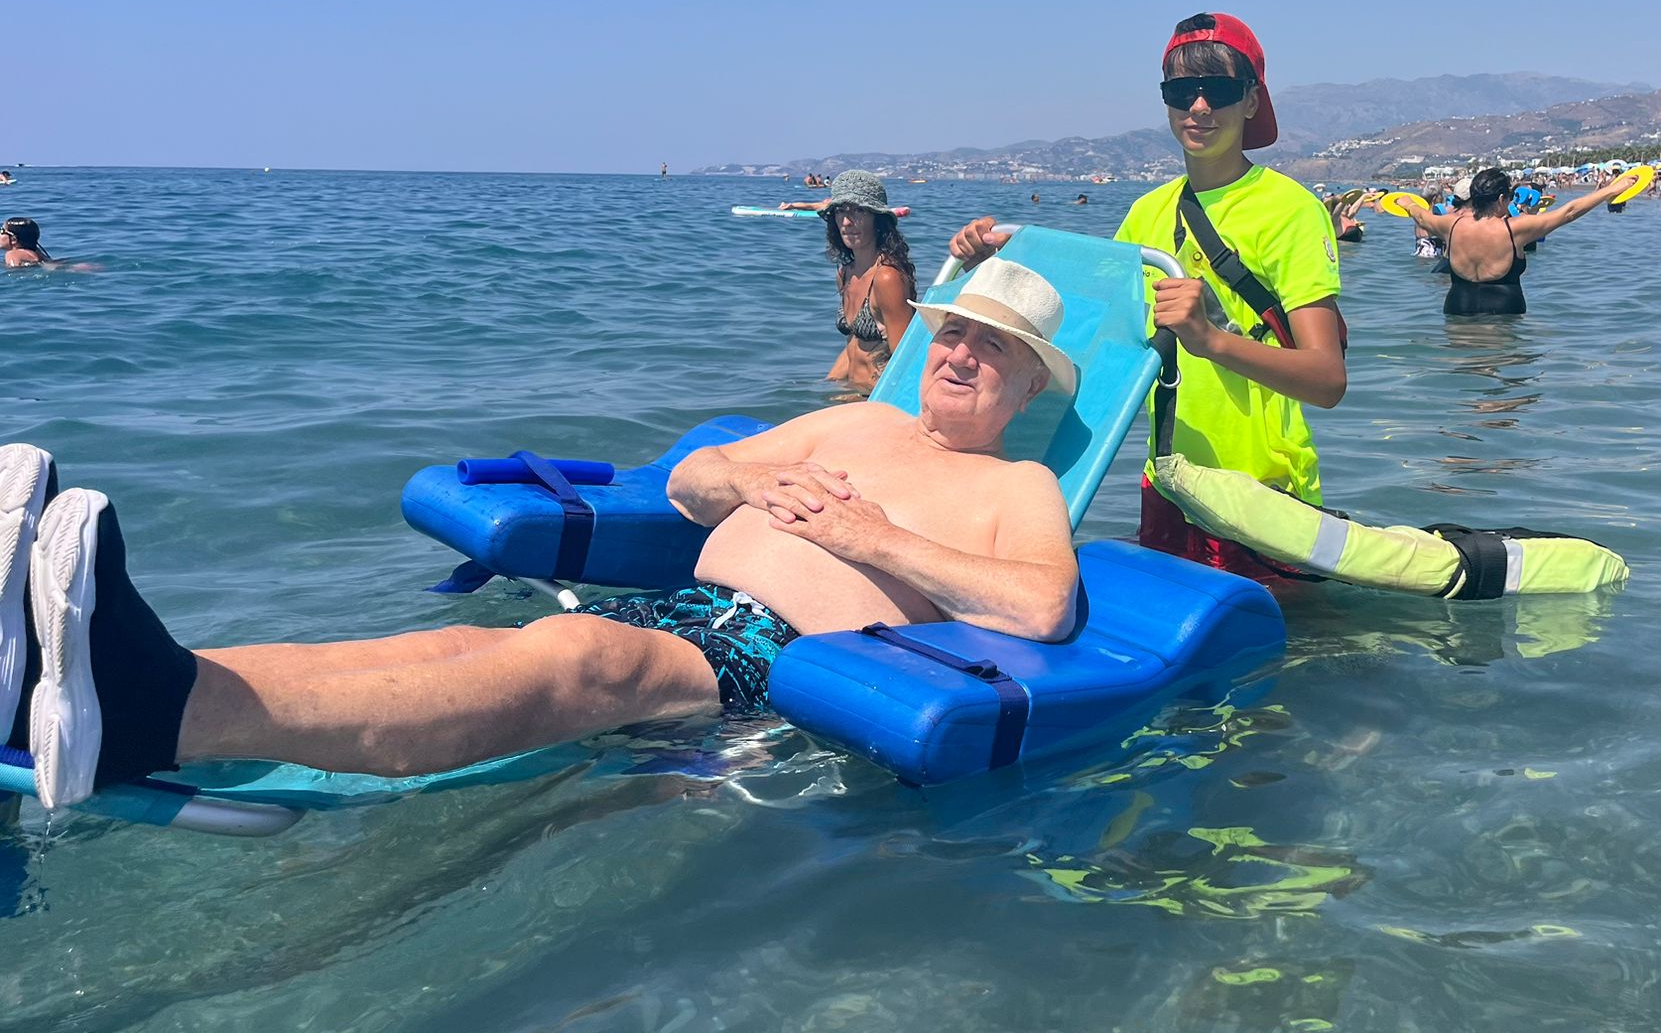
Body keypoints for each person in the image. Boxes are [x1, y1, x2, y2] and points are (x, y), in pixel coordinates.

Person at [1, 261, 1083, 811]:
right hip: (678, 615)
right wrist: (749, 476)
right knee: (445, 649)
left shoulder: (1016, 481)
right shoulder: (859, 417)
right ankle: (103, 681)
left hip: (775, 665)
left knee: (580, 655)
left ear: (1030, 382)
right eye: (954, 331)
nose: (961, 353)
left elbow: (1038, 606)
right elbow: (691, 482)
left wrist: (867, 536)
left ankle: (145, 714)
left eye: (995, 347)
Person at [949, 12, 1346, 584]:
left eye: (1221, 90)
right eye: (1182, 91)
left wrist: (1209, 340)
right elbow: (1087, 328)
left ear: (1253, 100)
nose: (1200, 107)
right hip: (1168, 482)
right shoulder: (1147, 213)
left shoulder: (1291, 211)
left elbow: (1327, 379)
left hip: (1262, 492)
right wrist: (993, 264)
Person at [1396, 167, 1633, 316]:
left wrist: (1407, 203)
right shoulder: (1516, 228)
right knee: (1508, 392)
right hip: (1504, 314)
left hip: (1457, 310)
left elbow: (1421, 216)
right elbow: (1568, 212)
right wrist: (1610, 190)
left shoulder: (1451, 225)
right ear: (1501, 199)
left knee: (1465, 384)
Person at [784, 171, 917, 396]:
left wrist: (868, 404)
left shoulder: (887, 278)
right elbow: (854, 344)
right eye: (840, 211)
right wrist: (826, 386)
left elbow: (904, 363)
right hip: (850, 392)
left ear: (878, 218)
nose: (847, 221)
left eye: (859, 211)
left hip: (877, 398)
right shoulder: (846, 274)